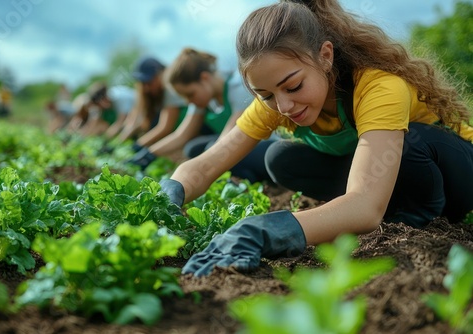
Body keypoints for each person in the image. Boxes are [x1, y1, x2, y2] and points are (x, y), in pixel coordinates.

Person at [157, 0, 473, 277]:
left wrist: (267, 230)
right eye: (266, 95)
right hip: (388, 183)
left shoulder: (378, 87)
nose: (283, 106)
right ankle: (385, 212)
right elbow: (209, 161)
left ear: (325, 56)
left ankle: (419, 220)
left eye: (293, 87)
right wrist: (168, 196)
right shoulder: (279, 99)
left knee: (409, 143)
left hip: (455, 175)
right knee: (281, 159)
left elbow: (364, 205)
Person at [129, 47, 276, 183]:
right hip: (237, 146)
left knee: (212, 150)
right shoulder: (205, 98)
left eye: (190, 94)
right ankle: (242, 176)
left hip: (265, 144)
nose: (189, 101)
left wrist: (193, 173)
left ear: (204, 78)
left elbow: (227, 139)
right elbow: (181, 135)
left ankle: (250, 180)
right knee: (193, 148)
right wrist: (148, 154)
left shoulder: (237, 88)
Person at [114, 56, 190, 147]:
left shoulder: (169, 89)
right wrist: (119, 142)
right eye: (143, 84)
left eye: (149, 82)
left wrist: (138, 145)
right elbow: (135, 120)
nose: (146, 88)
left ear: (160, 74)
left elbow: (165, 127)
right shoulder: (150, 95)